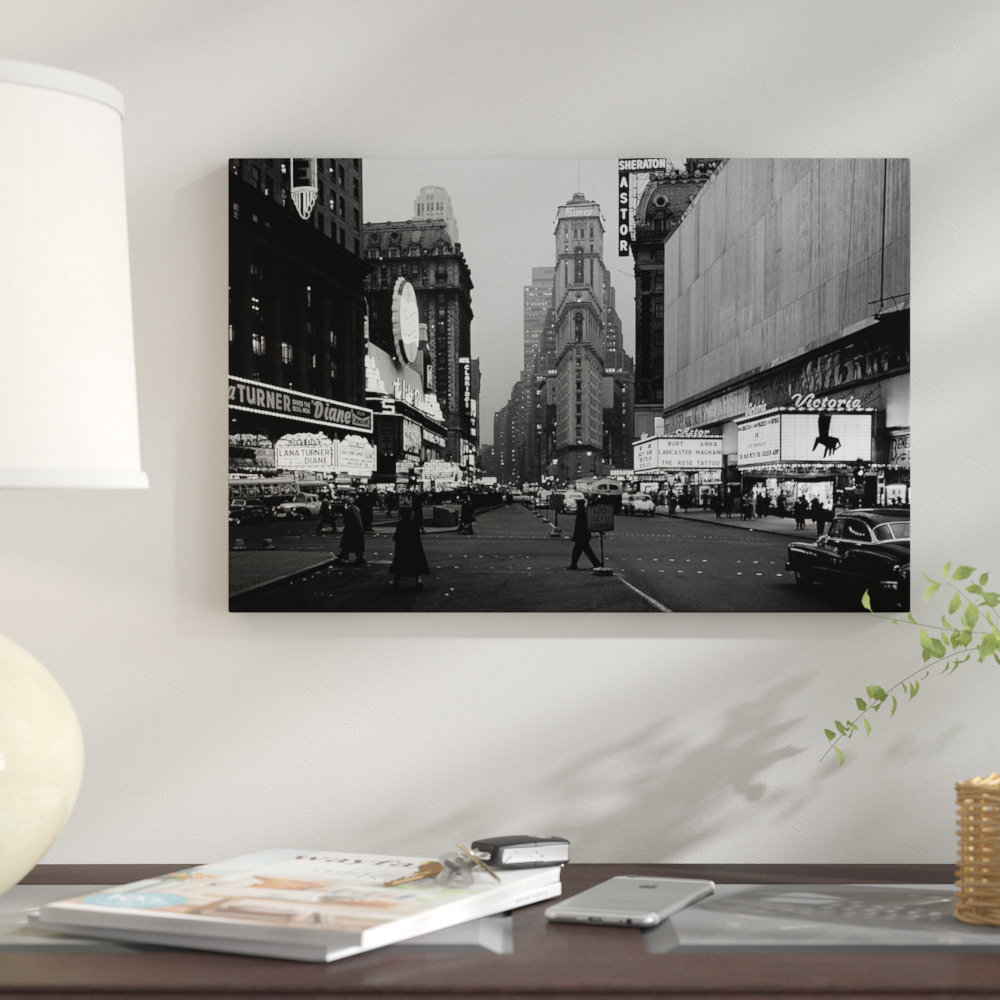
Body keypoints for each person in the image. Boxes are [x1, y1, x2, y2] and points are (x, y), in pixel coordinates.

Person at [388, 508, 429, 589]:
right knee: (416, 564)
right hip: (414, 548)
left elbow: (396, 537)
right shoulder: (413, 524)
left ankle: (396, 581)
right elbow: (417, 535)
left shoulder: (401, 524)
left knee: (399, 565)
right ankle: (419, 580)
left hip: (403, 548)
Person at [567, 499, 602, 570]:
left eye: (578, 505)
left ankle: (574, 565)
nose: (577, 506)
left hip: (581, 536)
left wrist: (576, 536)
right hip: (583, 536)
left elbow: (580, 527)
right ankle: (597, 564)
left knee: (578, 552)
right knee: (586, 552)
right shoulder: (583, 513)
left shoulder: (582, 514)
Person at [333, 495, 366, 565]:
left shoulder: (349, 510)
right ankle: (357, 557)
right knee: (355, 544)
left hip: (352, 529)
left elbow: (350, 521)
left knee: (349, 543)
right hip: (356, 530)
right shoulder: (355, 509)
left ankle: (347, 555)